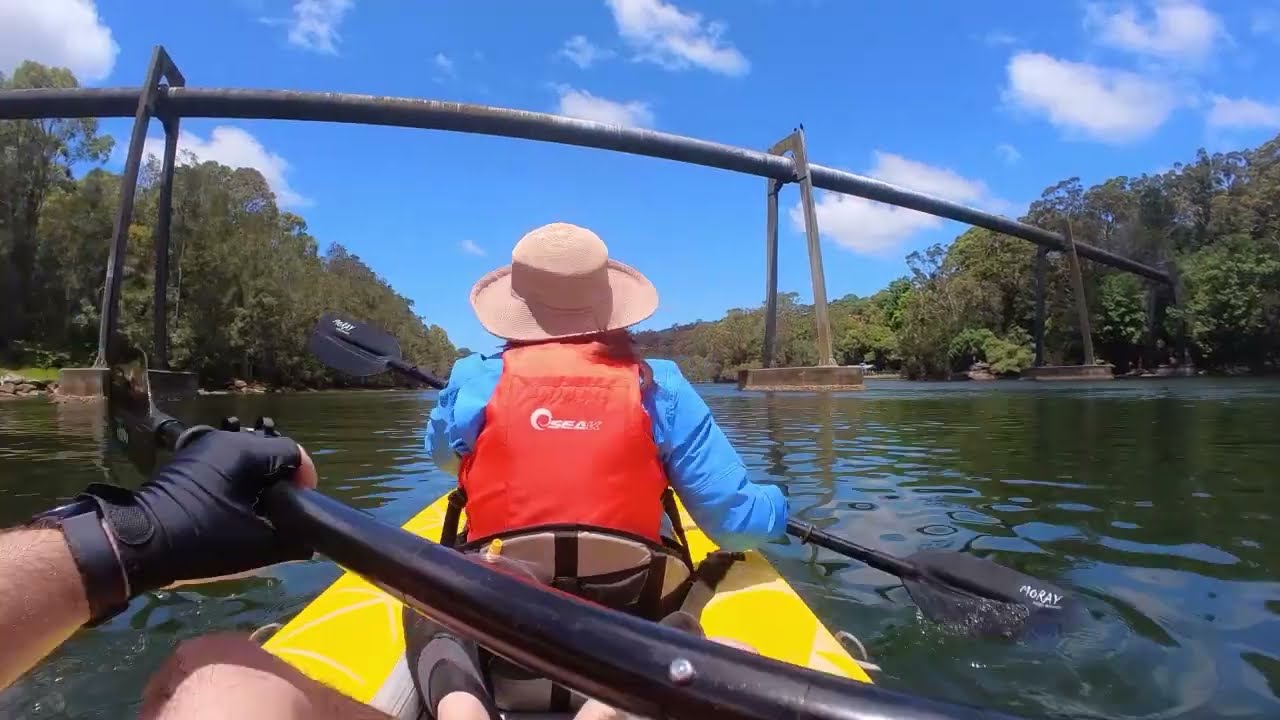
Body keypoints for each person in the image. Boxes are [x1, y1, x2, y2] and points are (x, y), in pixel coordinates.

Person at [421, 222, 786, 720]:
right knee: (683, 616)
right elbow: (734, 525)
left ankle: (460, 702)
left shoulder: (474, 378)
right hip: (628, 625)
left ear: (518, 307)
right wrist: (778, 505)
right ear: (608, 304)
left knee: (423, 594)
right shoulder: (662, 385)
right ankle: (613, 701)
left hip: (502, 615)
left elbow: (447, 461)